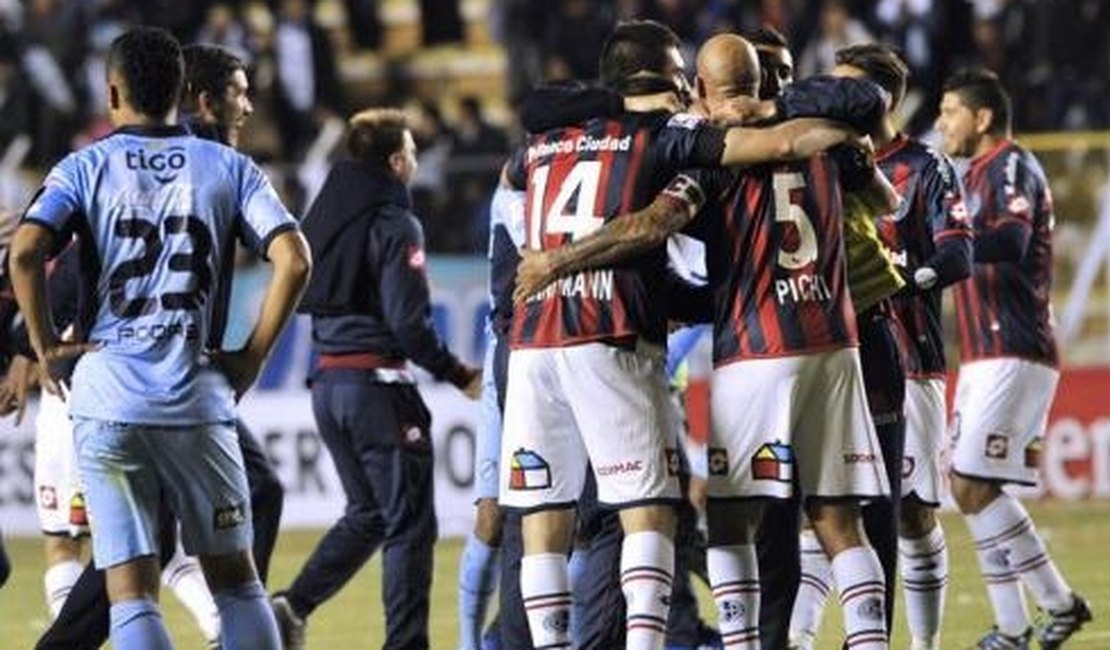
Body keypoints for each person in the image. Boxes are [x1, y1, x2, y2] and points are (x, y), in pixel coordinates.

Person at [513, 32, 894, 650]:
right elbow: (886, 198)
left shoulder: (704, 156)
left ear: (708, 89)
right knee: (838, 521)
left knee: (726, 522)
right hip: (834, 340)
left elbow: (657, 220)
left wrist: (557, 262)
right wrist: (799, 115)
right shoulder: (828, 139)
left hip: (753, 346)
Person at [8, 26, 311, 650]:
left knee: (131, 589)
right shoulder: (229, 166)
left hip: (109, 395)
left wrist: (44, 349)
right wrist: (251, 356)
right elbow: (295, 258)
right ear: (181, 89)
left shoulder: (85, 166)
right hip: (195, 393)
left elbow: (29, 251)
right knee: (237, 581)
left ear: (111, 90)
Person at [272, 108, 481, 650]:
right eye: (411, 152)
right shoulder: (394, 222)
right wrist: (457, 373)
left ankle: (291, 607)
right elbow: (409, 325)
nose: (414, 161)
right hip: (379, 388)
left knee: (367, 514)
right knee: (410, 525)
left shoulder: (326, 218)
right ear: (396, 161)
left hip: (329, 388)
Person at [937, 68, 1092, 650]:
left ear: (981, 118)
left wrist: (947, 237)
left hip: (1015, 344)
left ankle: (1054, 606)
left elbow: (1013, 240)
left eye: (951, 110)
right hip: (983, 352)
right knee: (969, 485)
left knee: (974, 483)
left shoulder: (1011, 164)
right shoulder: (971, 174)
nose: (941, 121)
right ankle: (1013, 625)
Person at [836, 44, 972, 650]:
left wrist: (908, 276)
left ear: (880, 98)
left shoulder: (926, 167)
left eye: (847, 89)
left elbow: (957, 254)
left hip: (910, 358)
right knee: (835, 513)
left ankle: (924, 644)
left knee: (913, 513)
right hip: (840, 358)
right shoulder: (829, 161)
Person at [457, 177, 524, 650]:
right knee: (491, 515)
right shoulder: (513, 188)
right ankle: (470, 643)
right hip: (508, 354)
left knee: (576, 524)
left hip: (567, 354)